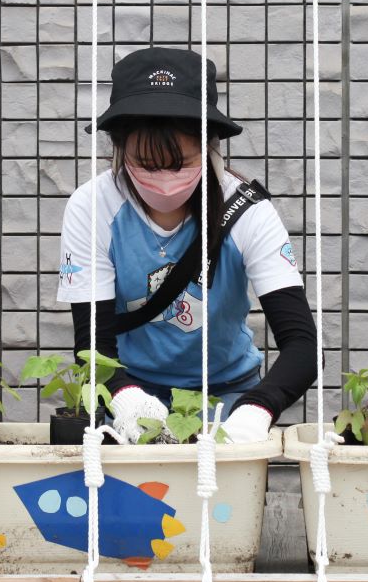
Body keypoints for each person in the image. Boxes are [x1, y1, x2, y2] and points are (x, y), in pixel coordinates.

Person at [56, 47, 319, 444]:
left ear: (210, 147)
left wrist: (257, 408)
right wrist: (126, 397)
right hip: (132, 395)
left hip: (228, 393)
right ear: (118, 146)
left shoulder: (247, 211)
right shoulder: (93, 207)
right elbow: (92, 343)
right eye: (145, 162)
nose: (163, 177)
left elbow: (301, 343)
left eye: (179, 163)